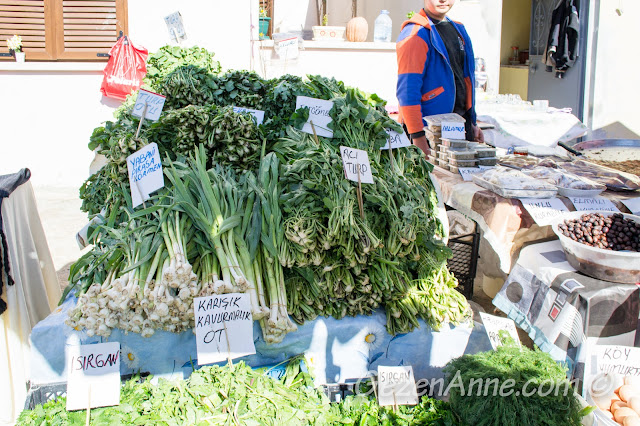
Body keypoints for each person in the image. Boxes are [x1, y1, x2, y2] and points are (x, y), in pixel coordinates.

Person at [396, 0, 483, 156]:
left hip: (459, 129)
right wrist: (417, 137)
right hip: (429, 134)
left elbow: (466, 81)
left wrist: (472, 123)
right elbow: (407, 92)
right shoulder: (415, 34)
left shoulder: (459, 29)